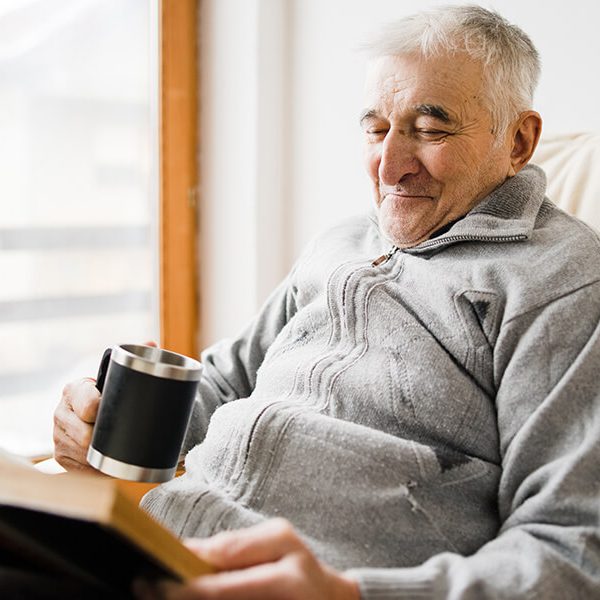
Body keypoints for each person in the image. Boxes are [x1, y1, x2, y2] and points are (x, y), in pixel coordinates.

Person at [52, 5, 600, 599]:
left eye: (431, 129)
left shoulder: (562, 279)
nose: (389, 165)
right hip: (153, 547)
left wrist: (351, 595)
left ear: (519, 141)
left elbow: (570, 551)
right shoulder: (340, 242)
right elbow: (224, 384)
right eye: (376, 129)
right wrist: (98, 425)